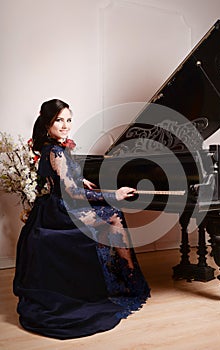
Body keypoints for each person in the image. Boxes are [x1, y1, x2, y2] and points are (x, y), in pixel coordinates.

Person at [13, 99, 150, 340]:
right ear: (48, 123)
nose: (65, 125)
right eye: (59, 120)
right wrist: (112, 194)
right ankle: (126, 282)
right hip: (62, 211)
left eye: (68, 120)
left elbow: (62, 178)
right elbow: (72, 193)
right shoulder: (55, 151)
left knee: (113, 216)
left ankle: (124, 279)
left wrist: (80, 179)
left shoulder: (53, 147)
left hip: (57, 205)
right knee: (115, 216)